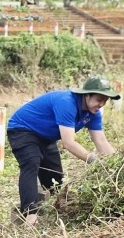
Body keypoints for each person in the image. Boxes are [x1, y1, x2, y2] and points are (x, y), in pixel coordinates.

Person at [7, 77, 118, 224]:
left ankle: (42, 201)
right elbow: (68, 142)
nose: (102, 104)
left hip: (46, 137)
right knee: (31, 163)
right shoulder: (67, 102)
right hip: (22, 129)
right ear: (87, 94)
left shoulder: (93, 113)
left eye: (105, 101)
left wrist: (117, 162)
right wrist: (93, 159)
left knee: (56, 181)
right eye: (99, 99)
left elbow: (101, 141)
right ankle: (29, 214)